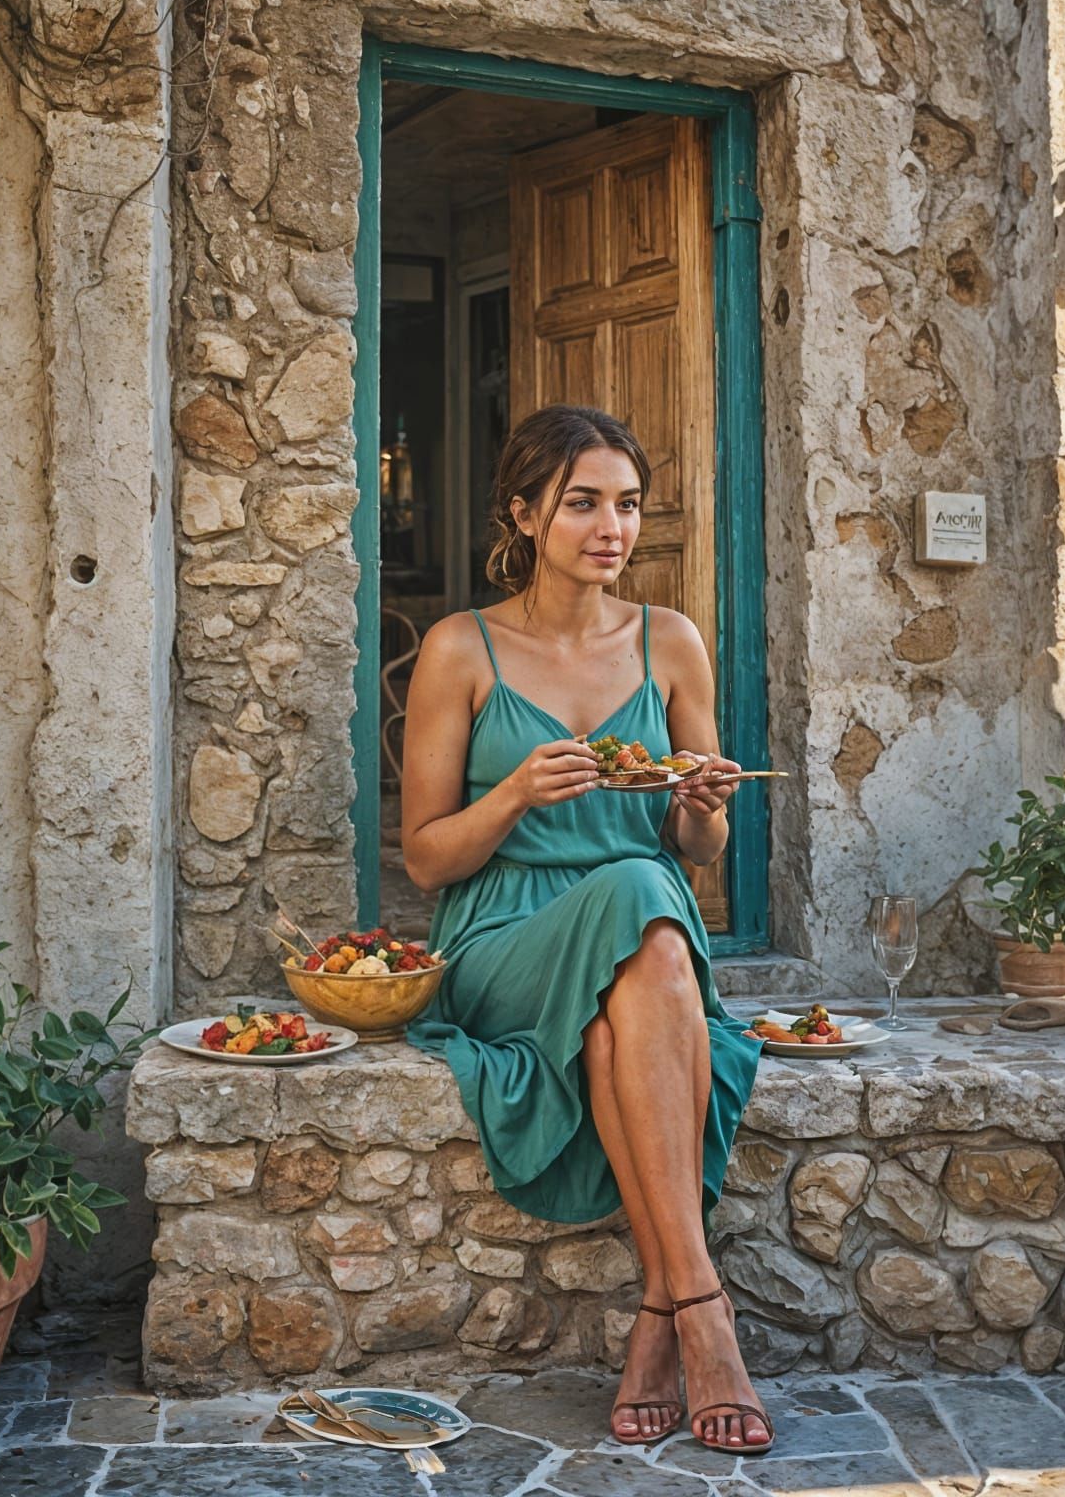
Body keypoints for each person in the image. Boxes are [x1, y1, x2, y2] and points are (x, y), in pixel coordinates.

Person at [400, 404, 773, 1454]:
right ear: (523, 513)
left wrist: (702, 808)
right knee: (640, 901)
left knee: (645, 924)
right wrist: (516, 793)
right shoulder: (460, 649)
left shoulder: (673, 643)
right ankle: (706, 1310)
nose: (611, 527)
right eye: (581, 503)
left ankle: (669, 1312)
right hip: (501, 937)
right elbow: (427, 855)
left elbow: (697, 848)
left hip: (643, 937)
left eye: (628, 504)